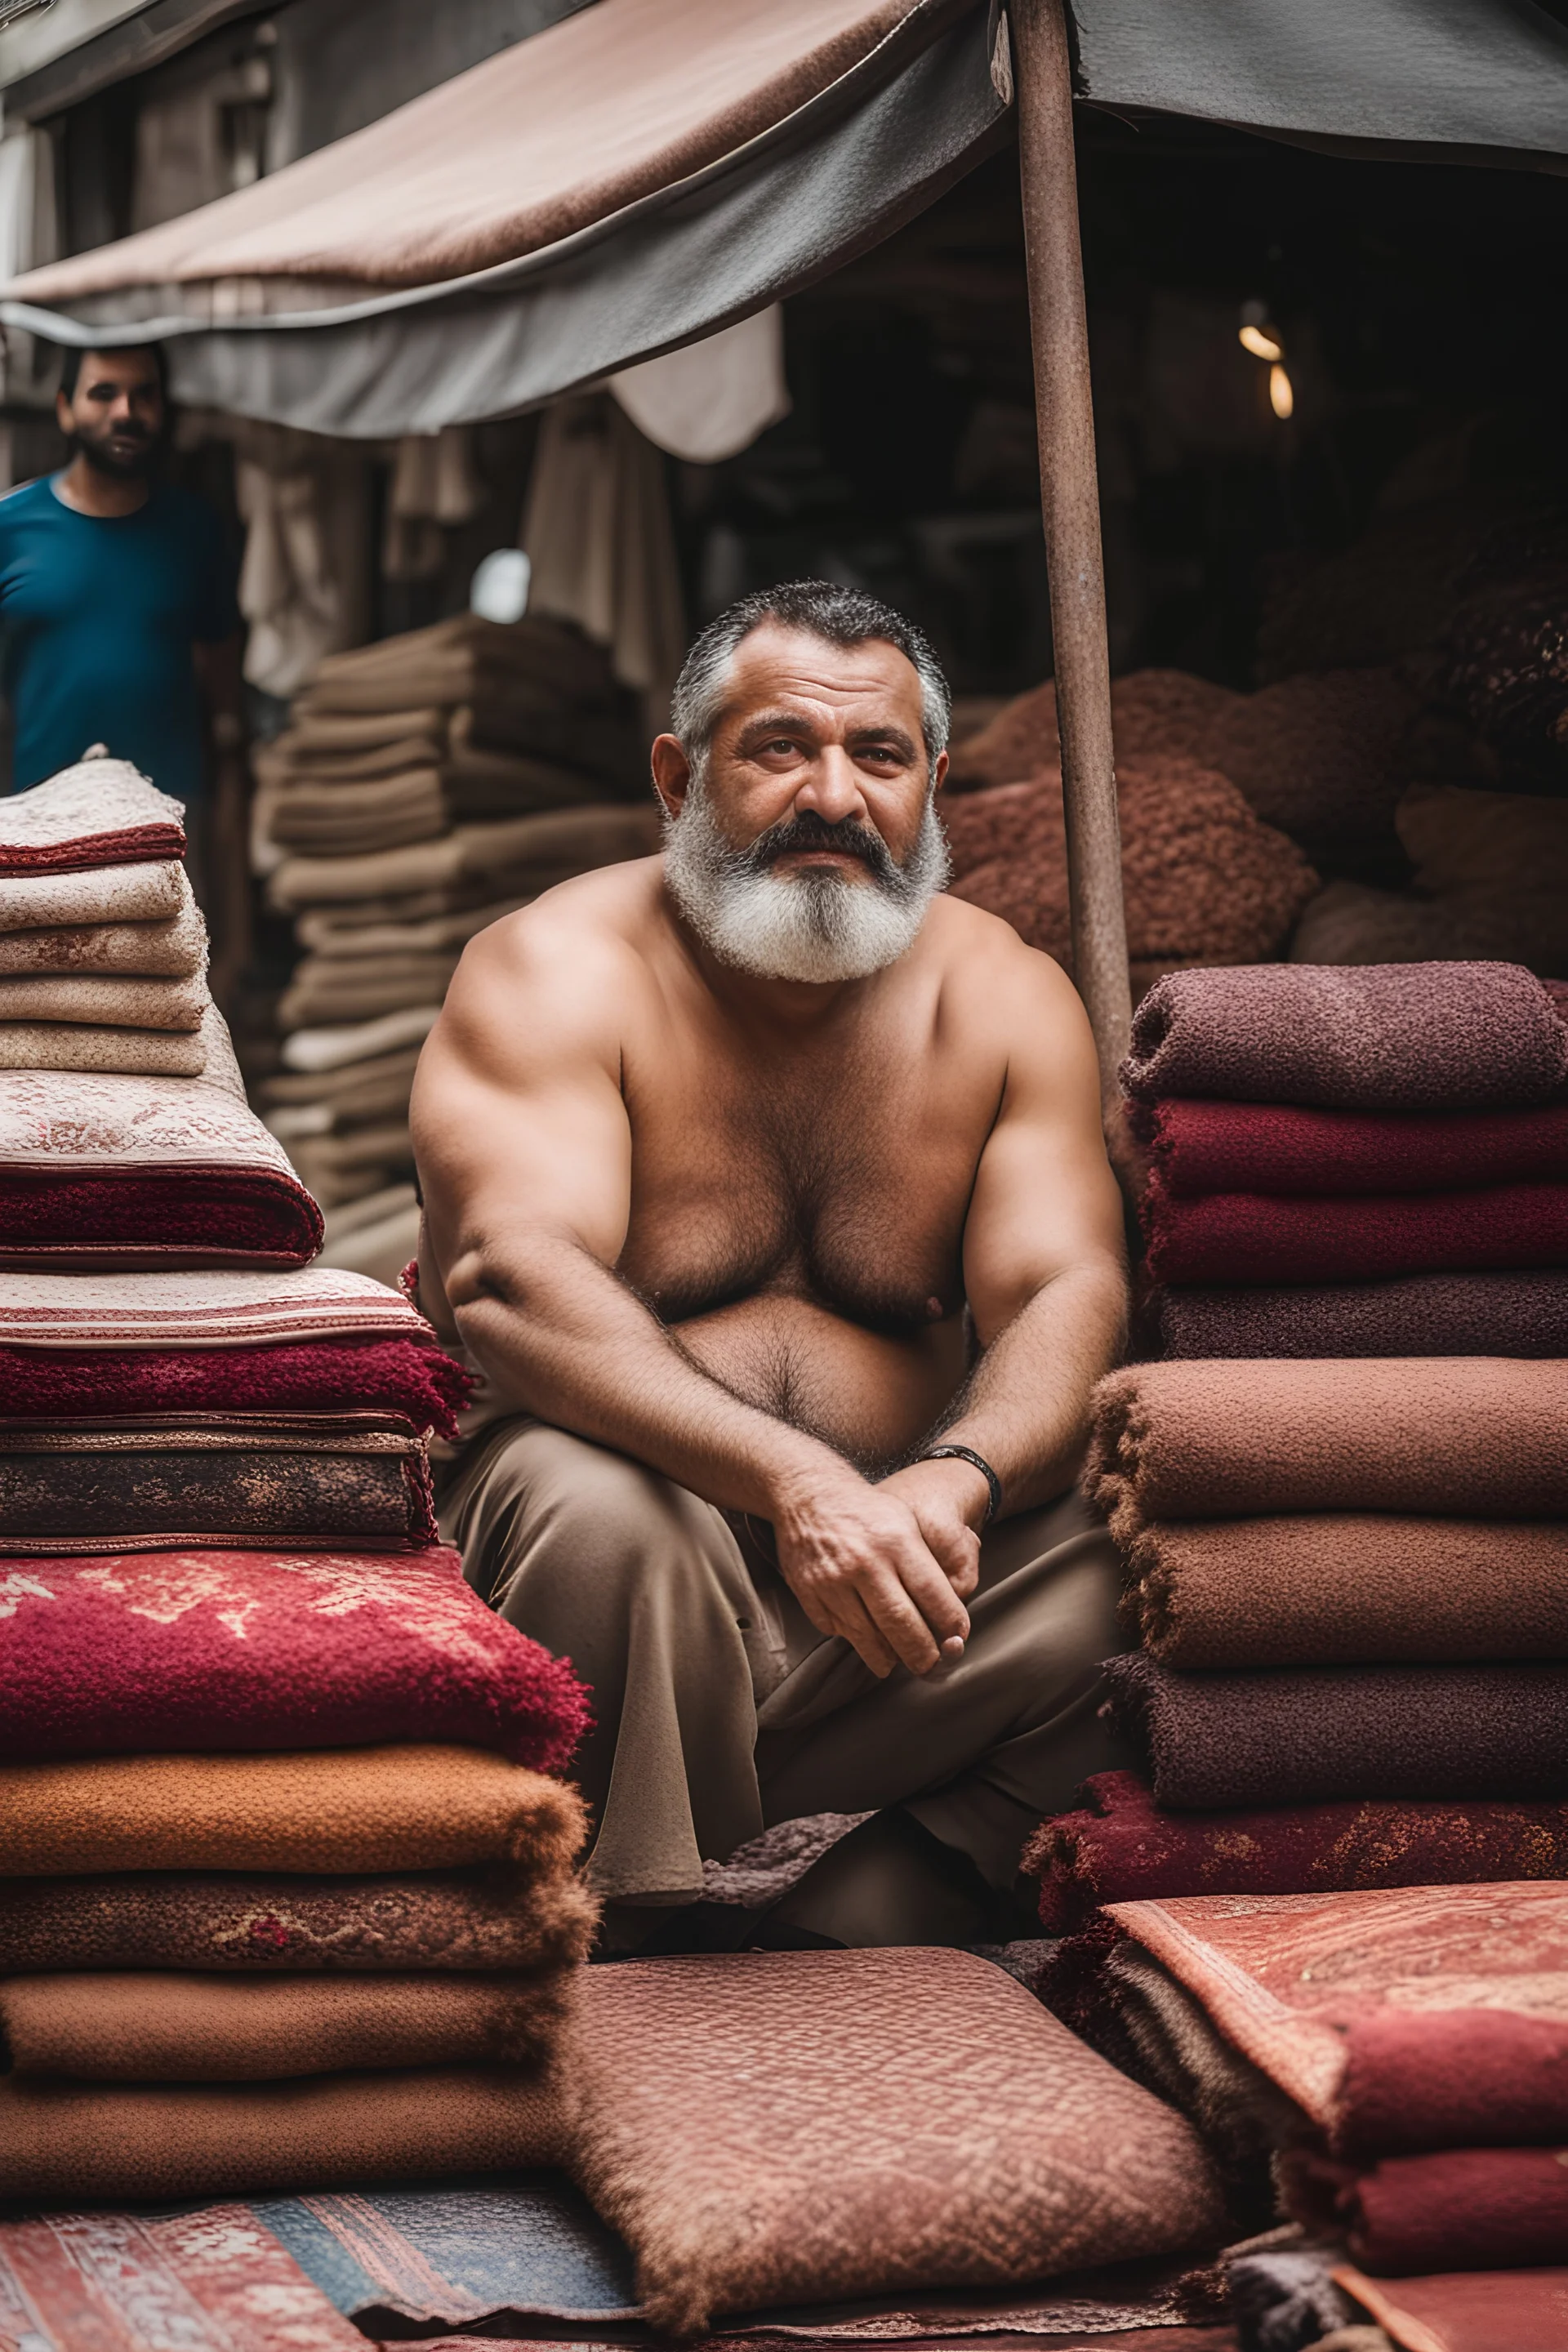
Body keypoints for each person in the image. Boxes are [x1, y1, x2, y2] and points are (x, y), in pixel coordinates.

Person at [412, 580, 1131, 1949]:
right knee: (608, 1515)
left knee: (1142, 1552)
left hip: (889, 1586)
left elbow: (1066, 1291)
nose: (834, 798)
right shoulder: (556, 967)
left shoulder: (1004, 995)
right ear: (679, 781)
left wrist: (953, 1481)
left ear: (930, 785)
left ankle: (874, 1903)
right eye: (780, 749)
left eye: (880, 755)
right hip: (613, 1590)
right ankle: (615, 1934)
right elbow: (511, 1278)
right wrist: (792, 1479)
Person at [0, 342, 243, 903]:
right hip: (38, 823)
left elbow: (223, 677)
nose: (126, 411)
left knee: (172, 981)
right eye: (103, 393)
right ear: (64, 408)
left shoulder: (194, 530)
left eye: (143, 394)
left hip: (171, 825)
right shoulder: (11, 528)